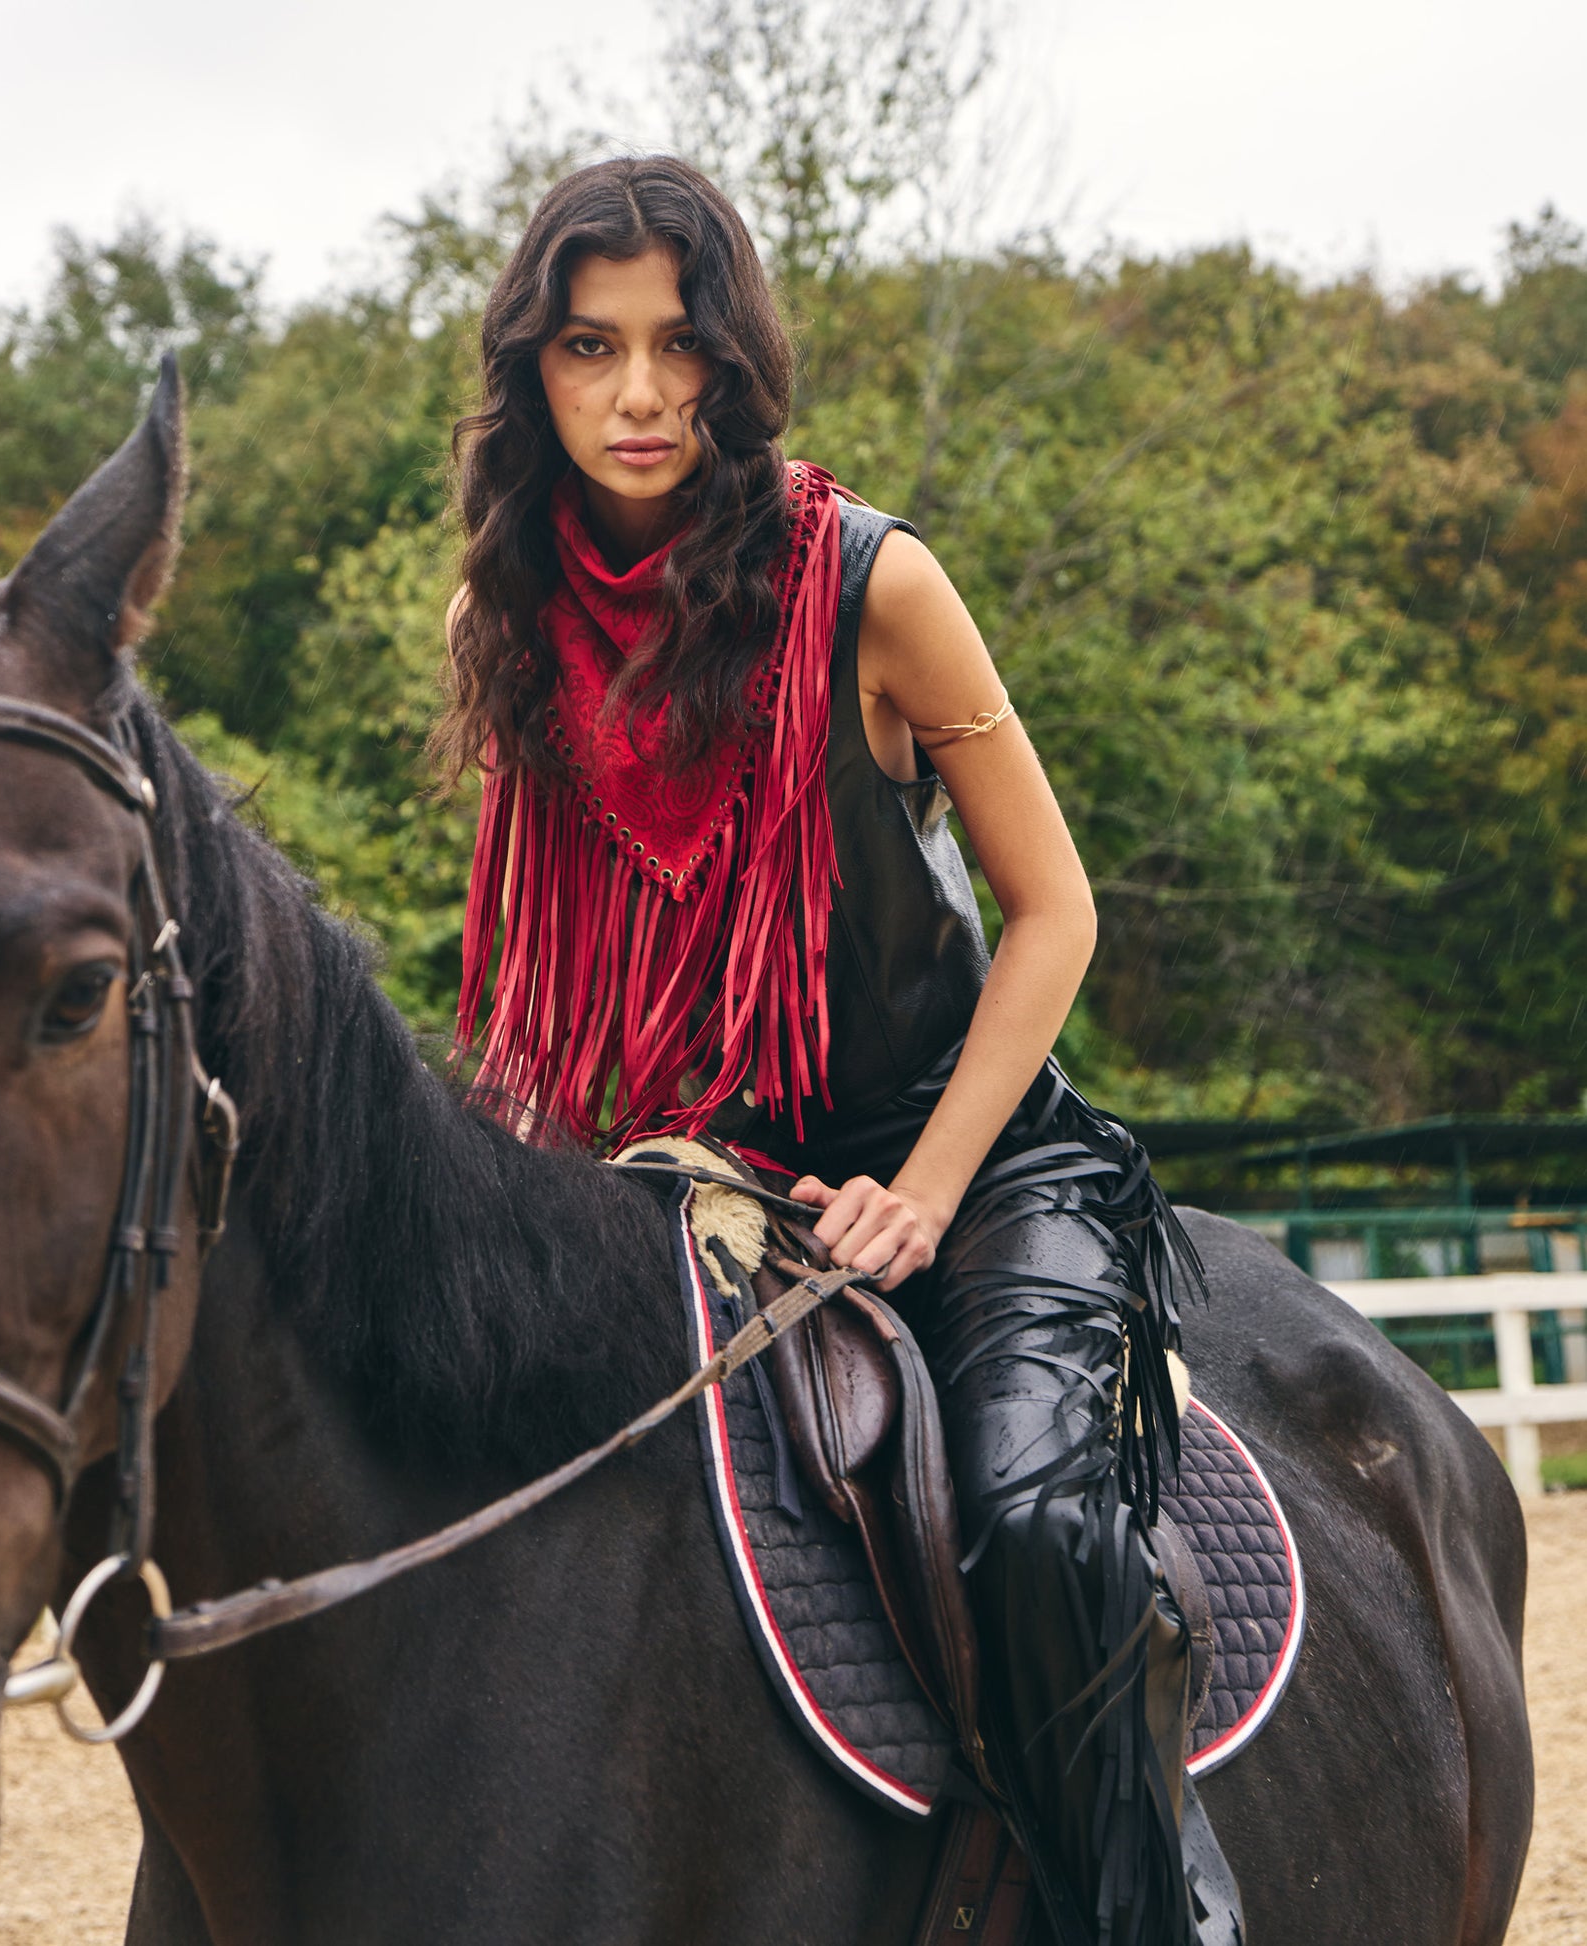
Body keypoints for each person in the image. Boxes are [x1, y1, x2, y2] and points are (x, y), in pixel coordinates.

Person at [435, 155, 1242, 1946]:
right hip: (697, 1174)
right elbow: (545, 993)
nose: (637, 395)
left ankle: (1154, 1906)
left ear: (736, 364)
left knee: (1034, 1523)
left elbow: (1053, 914)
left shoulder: (871, 584)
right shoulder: (504, 618)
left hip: (966, 1157)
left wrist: (926, 1190)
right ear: (531, 371)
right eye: (588, 347)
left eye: (677, 346)